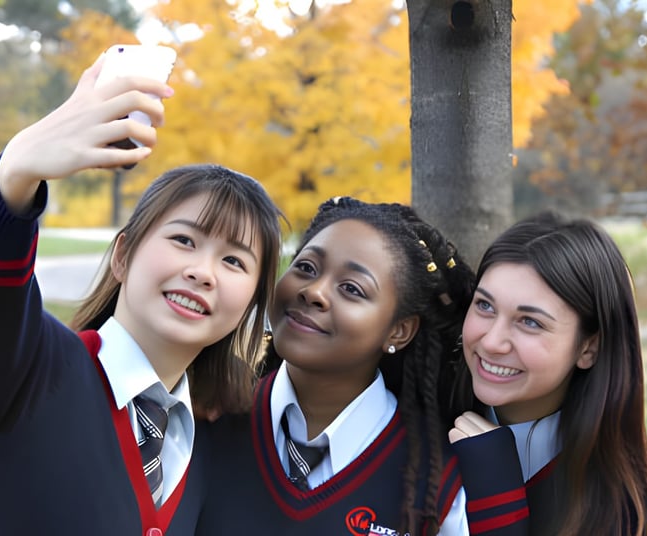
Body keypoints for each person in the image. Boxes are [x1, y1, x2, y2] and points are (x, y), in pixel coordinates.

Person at [0, 54, 284, 535]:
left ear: (250, 304)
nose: (203, 272)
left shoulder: (217, 433)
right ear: (122, 256)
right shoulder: (33, 367)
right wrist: (18, 170)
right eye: (184, 240)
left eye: (234, 261)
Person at [192, 196, 478, 535]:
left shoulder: (440, 480)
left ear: (398, 331)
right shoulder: (203, 416)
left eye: (352, 288)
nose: (314, 292)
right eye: (306, 268)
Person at [447, 211, 647, 535]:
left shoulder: (615, 502)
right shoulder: (419, 418)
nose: (491, 342)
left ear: (588, 348)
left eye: (530, 322)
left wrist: (496, 493)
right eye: (485, 306)